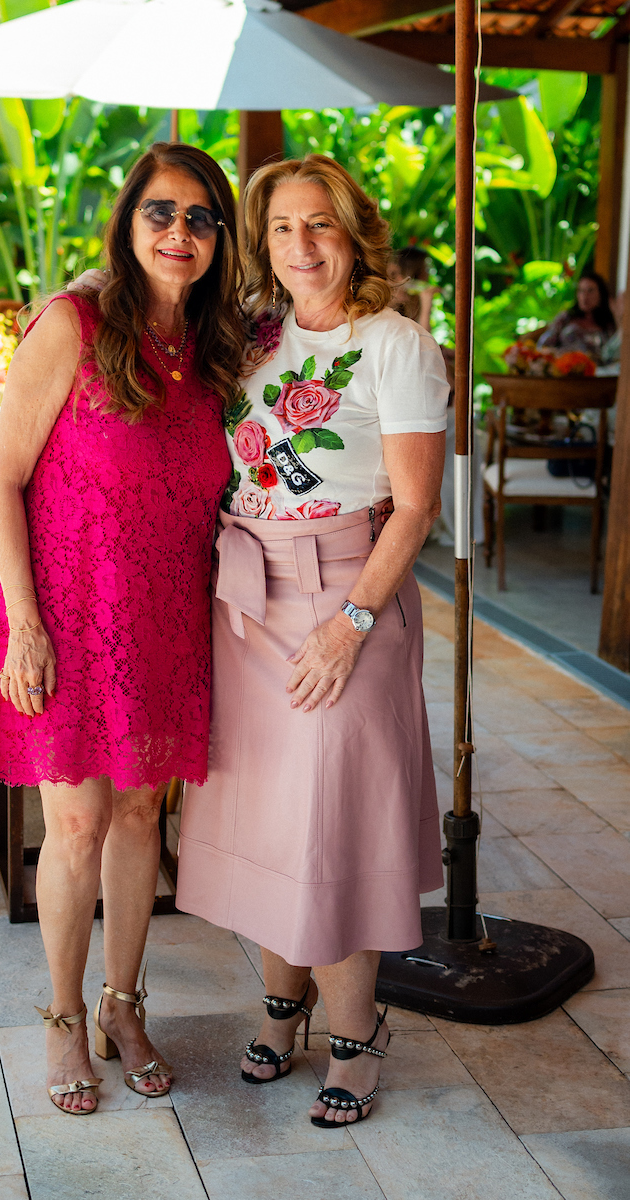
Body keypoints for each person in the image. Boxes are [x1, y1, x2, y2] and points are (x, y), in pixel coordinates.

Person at [175, 155, 448, 1127]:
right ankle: (283, 1009)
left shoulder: (397, 346)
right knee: (275, 819)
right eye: (283, 228)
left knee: (334, 816)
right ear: (262, 242)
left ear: (353, 231)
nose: (302, 247)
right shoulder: (251, 338)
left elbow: (415, 508)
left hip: (348, 597)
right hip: (248, 600)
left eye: (320, 224)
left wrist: (352, 625)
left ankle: (358, 1030)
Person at [0, 143, 244, 1114]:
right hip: (65, 612)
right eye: (162, 213)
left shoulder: (217, 348)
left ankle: (124, 1006)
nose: (181, 233)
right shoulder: (74, 323)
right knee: (78, 824)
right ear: (128, 223)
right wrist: (28, 628)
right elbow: (2, 478)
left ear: (220, 238)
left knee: (141, 819)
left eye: (202, 217)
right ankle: (59, 1019)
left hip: (168, 614)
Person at [537, 270, 616, 360]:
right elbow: (543, 347)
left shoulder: (607, 323)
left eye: (590, 291)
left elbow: (613, 352)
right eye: (581, 291)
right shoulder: (566, 317)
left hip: (598, 370)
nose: (585, 296)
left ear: (601, 294)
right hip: (565, 367)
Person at [387, 246, 437, 332]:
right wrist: (426, 309)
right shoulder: (386, 311)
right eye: (393, 275)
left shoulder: (410, 302)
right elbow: (423, 343)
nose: (402, 280)